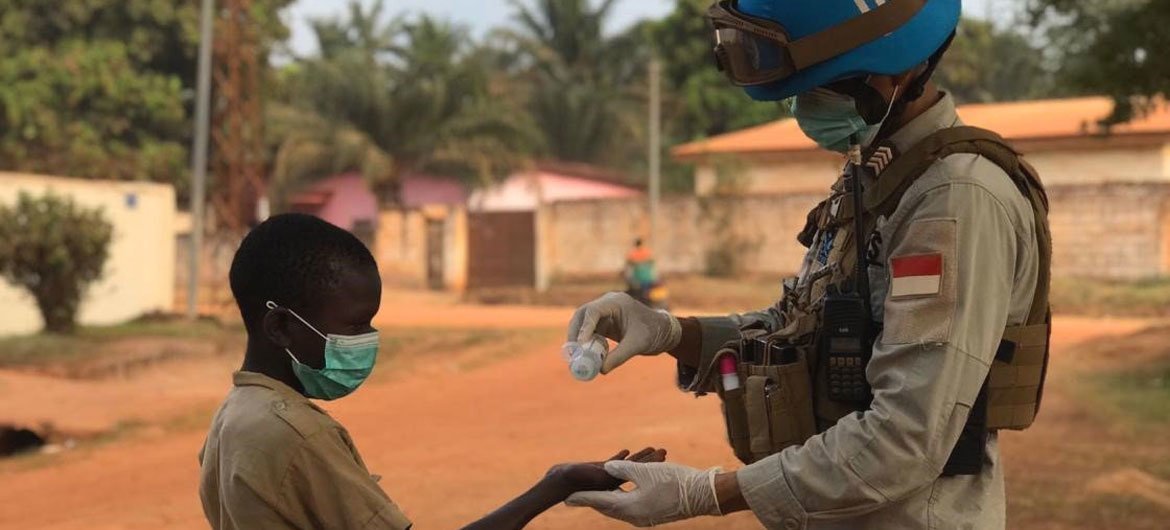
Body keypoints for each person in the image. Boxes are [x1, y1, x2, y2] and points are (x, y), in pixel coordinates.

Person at [562, 0, 1051, 529]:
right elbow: (799, 329)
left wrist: (707, 493)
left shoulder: (954, 201)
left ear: (896, 69)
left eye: (821, 87)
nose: (800, 108)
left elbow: (905, 435)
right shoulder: (875, 179)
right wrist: (669, 332)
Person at [198, 213, 666, 530]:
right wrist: (557, 483)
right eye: (355, 325)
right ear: (280, 325)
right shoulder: (297, 435)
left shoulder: (235, 416)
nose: (367, 340)